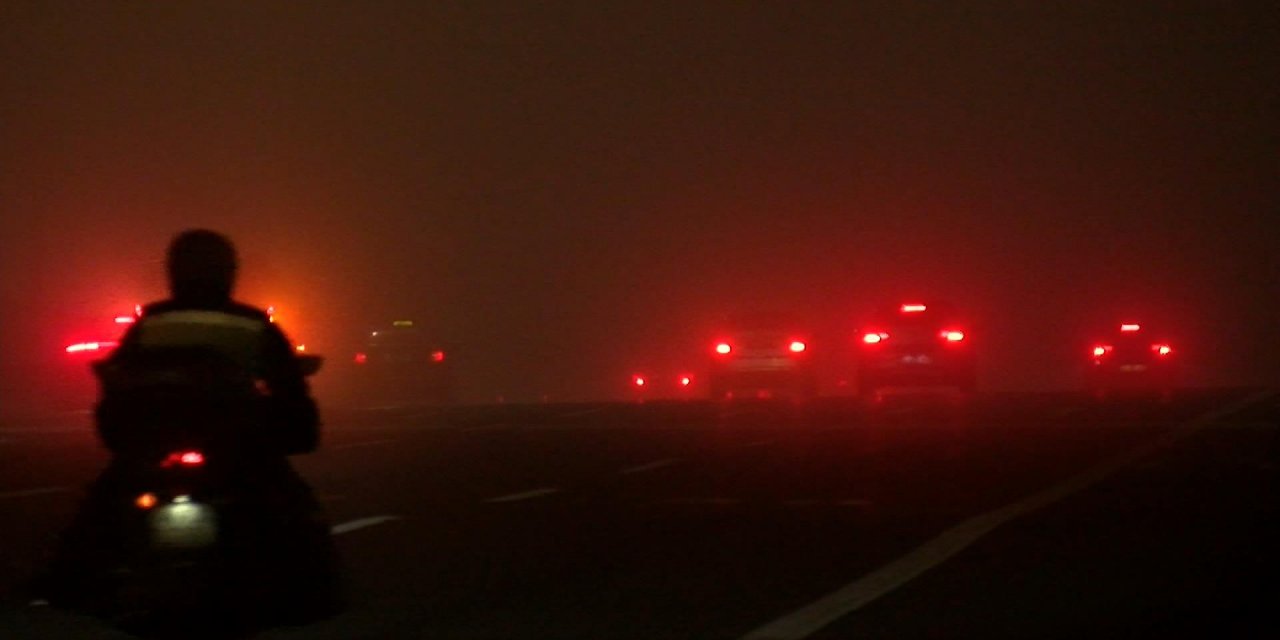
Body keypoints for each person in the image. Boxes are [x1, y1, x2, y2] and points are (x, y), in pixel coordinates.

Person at [36, 229, 339, 626]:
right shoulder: (252, 325)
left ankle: (64, 584)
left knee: (95, 514)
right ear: (228, 272)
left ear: (174, 272)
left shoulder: (150, 323)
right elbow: (290, 393)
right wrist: (296, 429)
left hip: (153, 448)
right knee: (297, 513)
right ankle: (321, 592)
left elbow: (117, 385)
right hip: (236, 451)